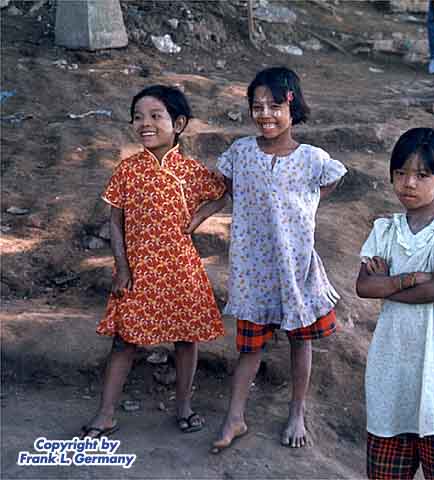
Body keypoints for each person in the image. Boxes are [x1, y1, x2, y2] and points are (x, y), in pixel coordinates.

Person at [211, 66, 347, 453]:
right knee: (249, 347)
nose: (265, 115)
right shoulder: (241, 153)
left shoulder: (312, 159)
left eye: (274, 106)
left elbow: (330, 181)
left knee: (300, 343)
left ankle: (297, 411)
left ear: (292, 107)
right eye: (257, 107)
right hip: (253, 270)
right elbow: (230, 187)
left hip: (295, 267)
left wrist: (304, 206)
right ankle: (234, 417)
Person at [81, 85, 228, 438]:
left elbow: (224, 193)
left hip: (180, 269)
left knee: (186, 338)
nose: (144, 123)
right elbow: (115, 222)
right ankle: (105, 414)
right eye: (137, 117)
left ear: (178, 123)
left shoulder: (191, 171)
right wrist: (122, 267)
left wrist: (198, 218)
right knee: (123, 339)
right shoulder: (127, 170)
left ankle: (184, 406)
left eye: (155, 116)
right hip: (137, 270)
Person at [356, 128, 434, 479]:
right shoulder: (385, 230)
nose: (409, 183)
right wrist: (414, 278)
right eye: (401, 173)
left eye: (422, 175)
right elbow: (363, 286)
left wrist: (388, 286)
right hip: (392, 363)